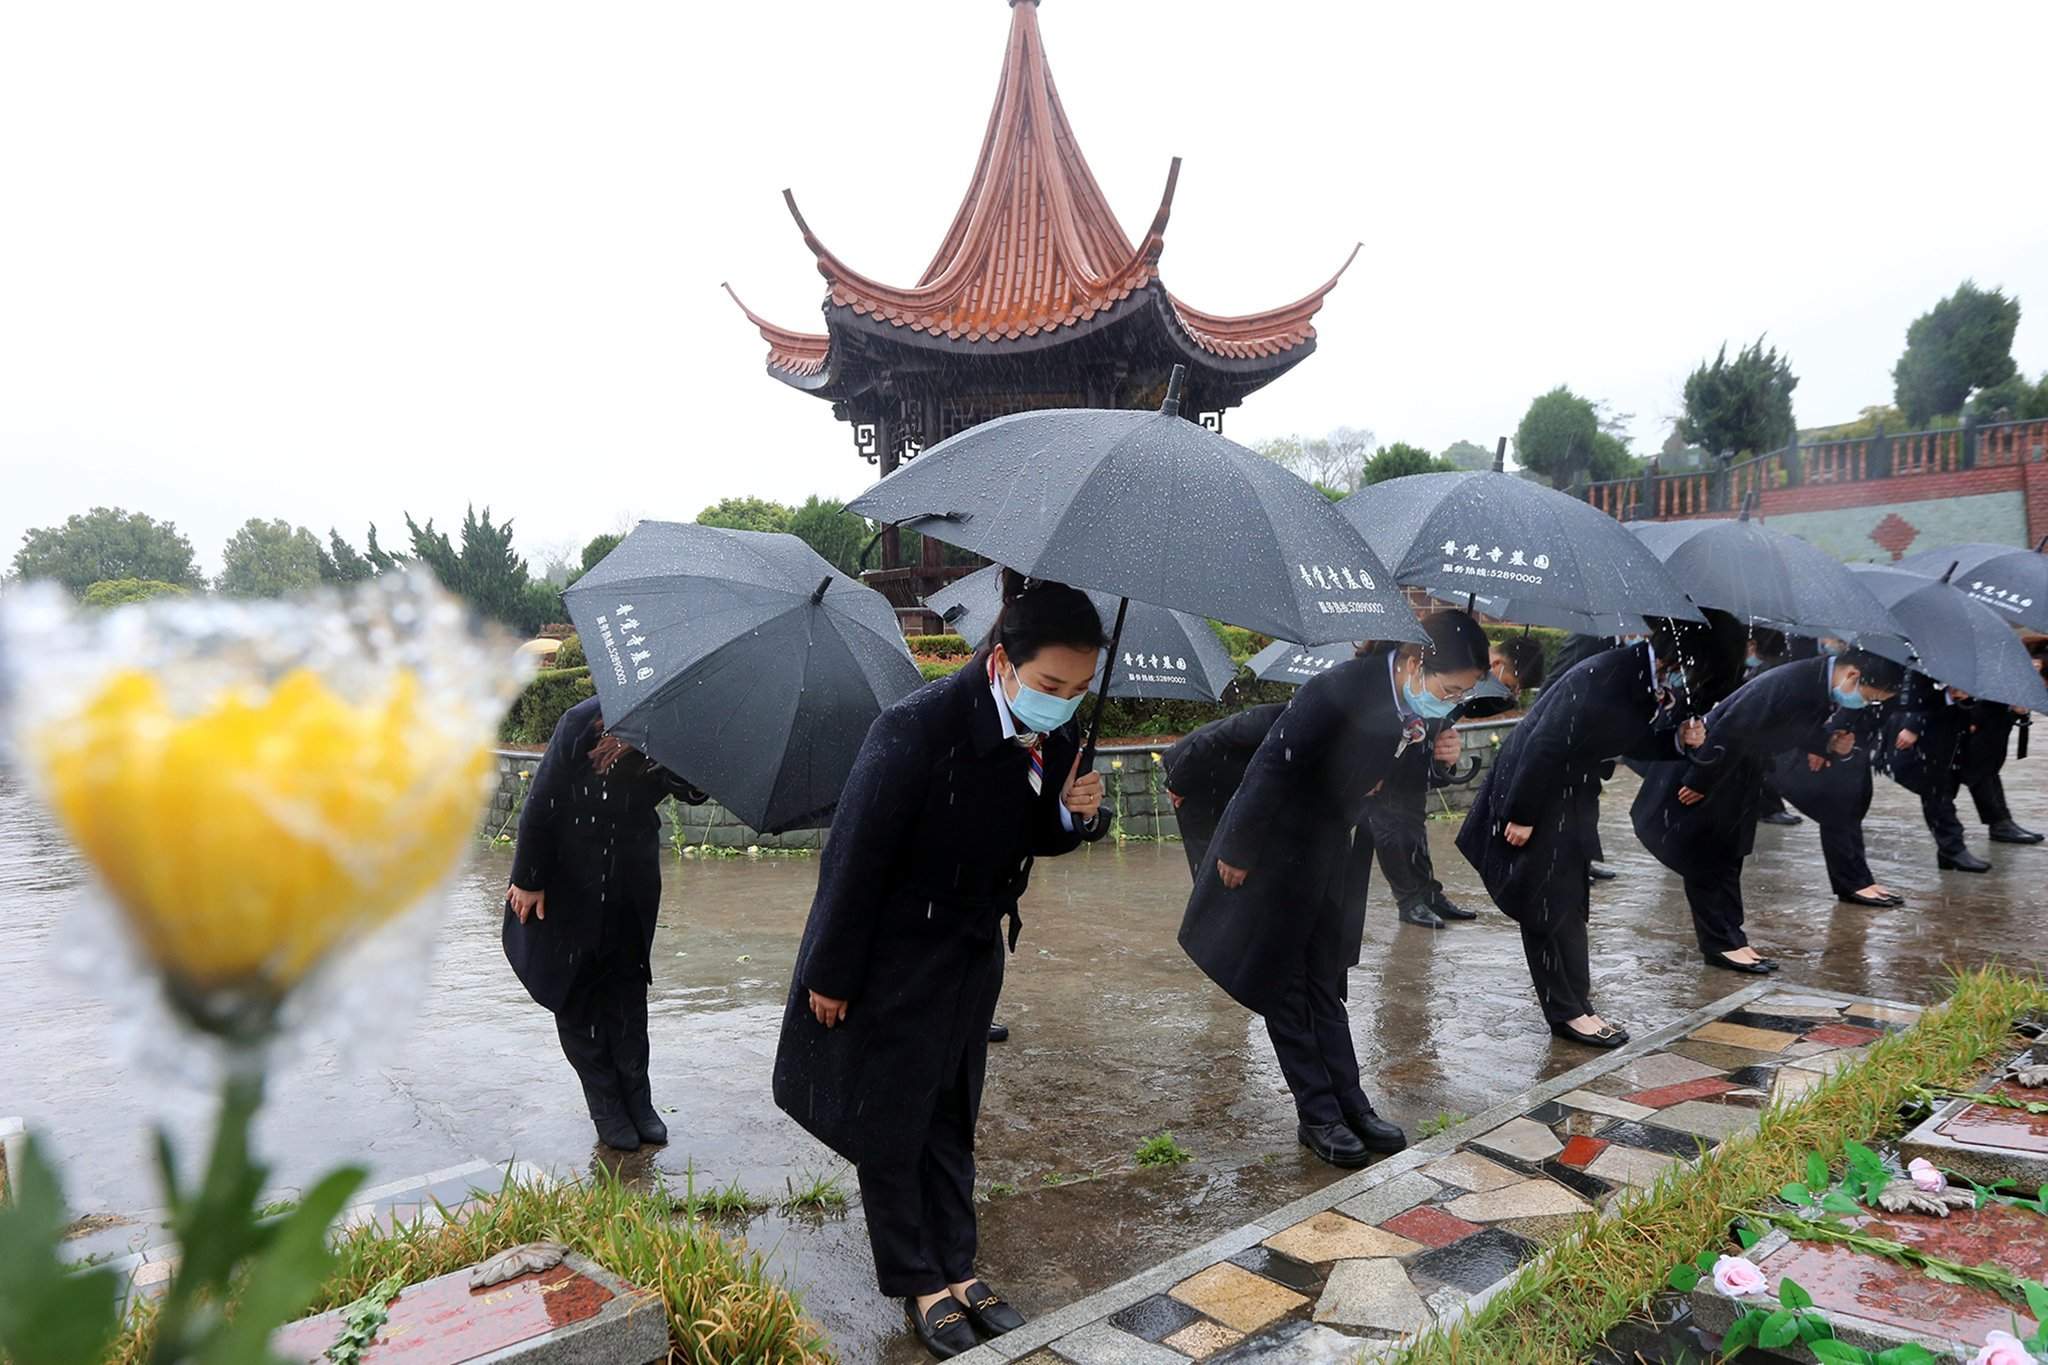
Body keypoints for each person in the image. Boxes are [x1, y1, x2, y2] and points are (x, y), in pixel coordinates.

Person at [772, 570, 1108, 1360]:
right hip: (894, 956)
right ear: (1001, 660)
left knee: (954, 1112)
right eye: (1051, 684)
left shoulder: (1055, 733)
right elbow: (853, 859)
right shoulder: (916, 728)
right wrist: (831, 973)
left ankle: (959, 1263)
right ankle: (919, 1278)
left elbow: (1037, 831)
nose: (1063, 701)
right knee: (894, 1121)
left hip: (970, 950)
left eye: (1079, 688)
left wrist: (1074, 813)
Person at [1174, 611, 1488, 1169]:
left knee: (1325, 980)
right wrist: (1237, 850)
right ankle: (1317, 1114)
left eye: (1463, 694)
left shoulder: (1411, 706)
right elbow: (1271, 764)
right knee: (1285, 984)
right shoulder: (1339, 689)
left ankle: (1352, 1102)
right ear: (1417, 662)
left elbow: (1399, 788)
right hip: (1274, 849)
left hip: (1329, 851)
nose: (1454, 701)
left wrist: (1438, 757)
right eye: (1452, 689)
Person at [1459, 614, 1737, 1047]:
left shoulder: (1644, 677)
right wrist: (1522, 814)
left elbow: (1624, 741)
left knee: (1570, 898)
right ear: (1678, 658)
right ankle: (1567, 1012)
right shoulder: (1609, 673)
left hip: (1572, 790)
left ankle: (1579, 1003)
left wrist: (1681, 740)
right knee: (1544, 902)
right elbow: (1547, 741)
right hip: (1536, 788)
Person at [505, 698, 708, 1152]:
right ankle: (606, 1106)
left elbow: (692, 792)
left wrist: (688, 759)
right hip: (568, 875)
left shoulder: (672, 721)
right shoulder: (582, 720)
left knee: (628, 988)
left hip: (630, 875)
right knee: (576, 993)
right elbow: (542, 800)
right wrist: (528, 879)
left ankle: (639, 1101)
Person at [1632, 646, 1904, 974]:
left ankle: (1732, 938)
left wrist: (1828, 744)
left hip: (1738, 773)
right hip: (1711, 770)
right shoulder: (1794, 682)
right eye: (1869, 696)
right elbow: (1732, 726)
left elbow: (1787, 729)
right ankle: (1721, 944)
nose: (1866, 703)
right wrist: (1701, 779)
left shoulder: (1816, 682)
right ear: (1852, 675)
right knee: (1705, 858)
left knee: (1728, 856)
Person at [1363, 635, 1547, 929]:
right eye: (1512, 683)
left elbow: (1453, 711)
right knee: (1391, 827)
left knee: (1413, 825)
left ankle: (1428, 894)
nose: (1512, 692)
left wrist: (1441, 736)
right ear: (1497, 664)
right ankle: (1409, 901)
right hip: (1390, 749)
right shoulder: (1442, 654)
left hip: (1417, 753)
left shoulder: (1472, 674)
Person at [1770, 680, 1897, 907]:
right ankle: (1851, 883)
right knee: (1836, 807)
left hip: (1852, 739)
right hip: (1822, 739)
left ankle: (1860, 878)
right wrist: (1821, 742)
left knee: (1852, 806)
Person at [1881, 672, 1993, 873]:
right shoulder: (1924, 660)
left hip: (1951, 736)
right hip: (1925, 737)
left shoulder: (1962, 661)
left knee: (1946, 787)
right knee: (1936, 792)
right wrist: (1913, 726)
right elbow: (1911, 695)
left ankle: (1947, 852)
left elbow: (1965, 702)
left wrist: (1964, 697)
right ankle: (1952, 847)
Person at [1747, 632, 1804, 828]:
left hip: (1764, 728)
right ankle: (1766, 808)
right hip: (1753, 727)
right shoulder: (1757, 667)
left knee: (1761, 767)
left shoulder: (1773, 666)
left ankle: (1770, 808)